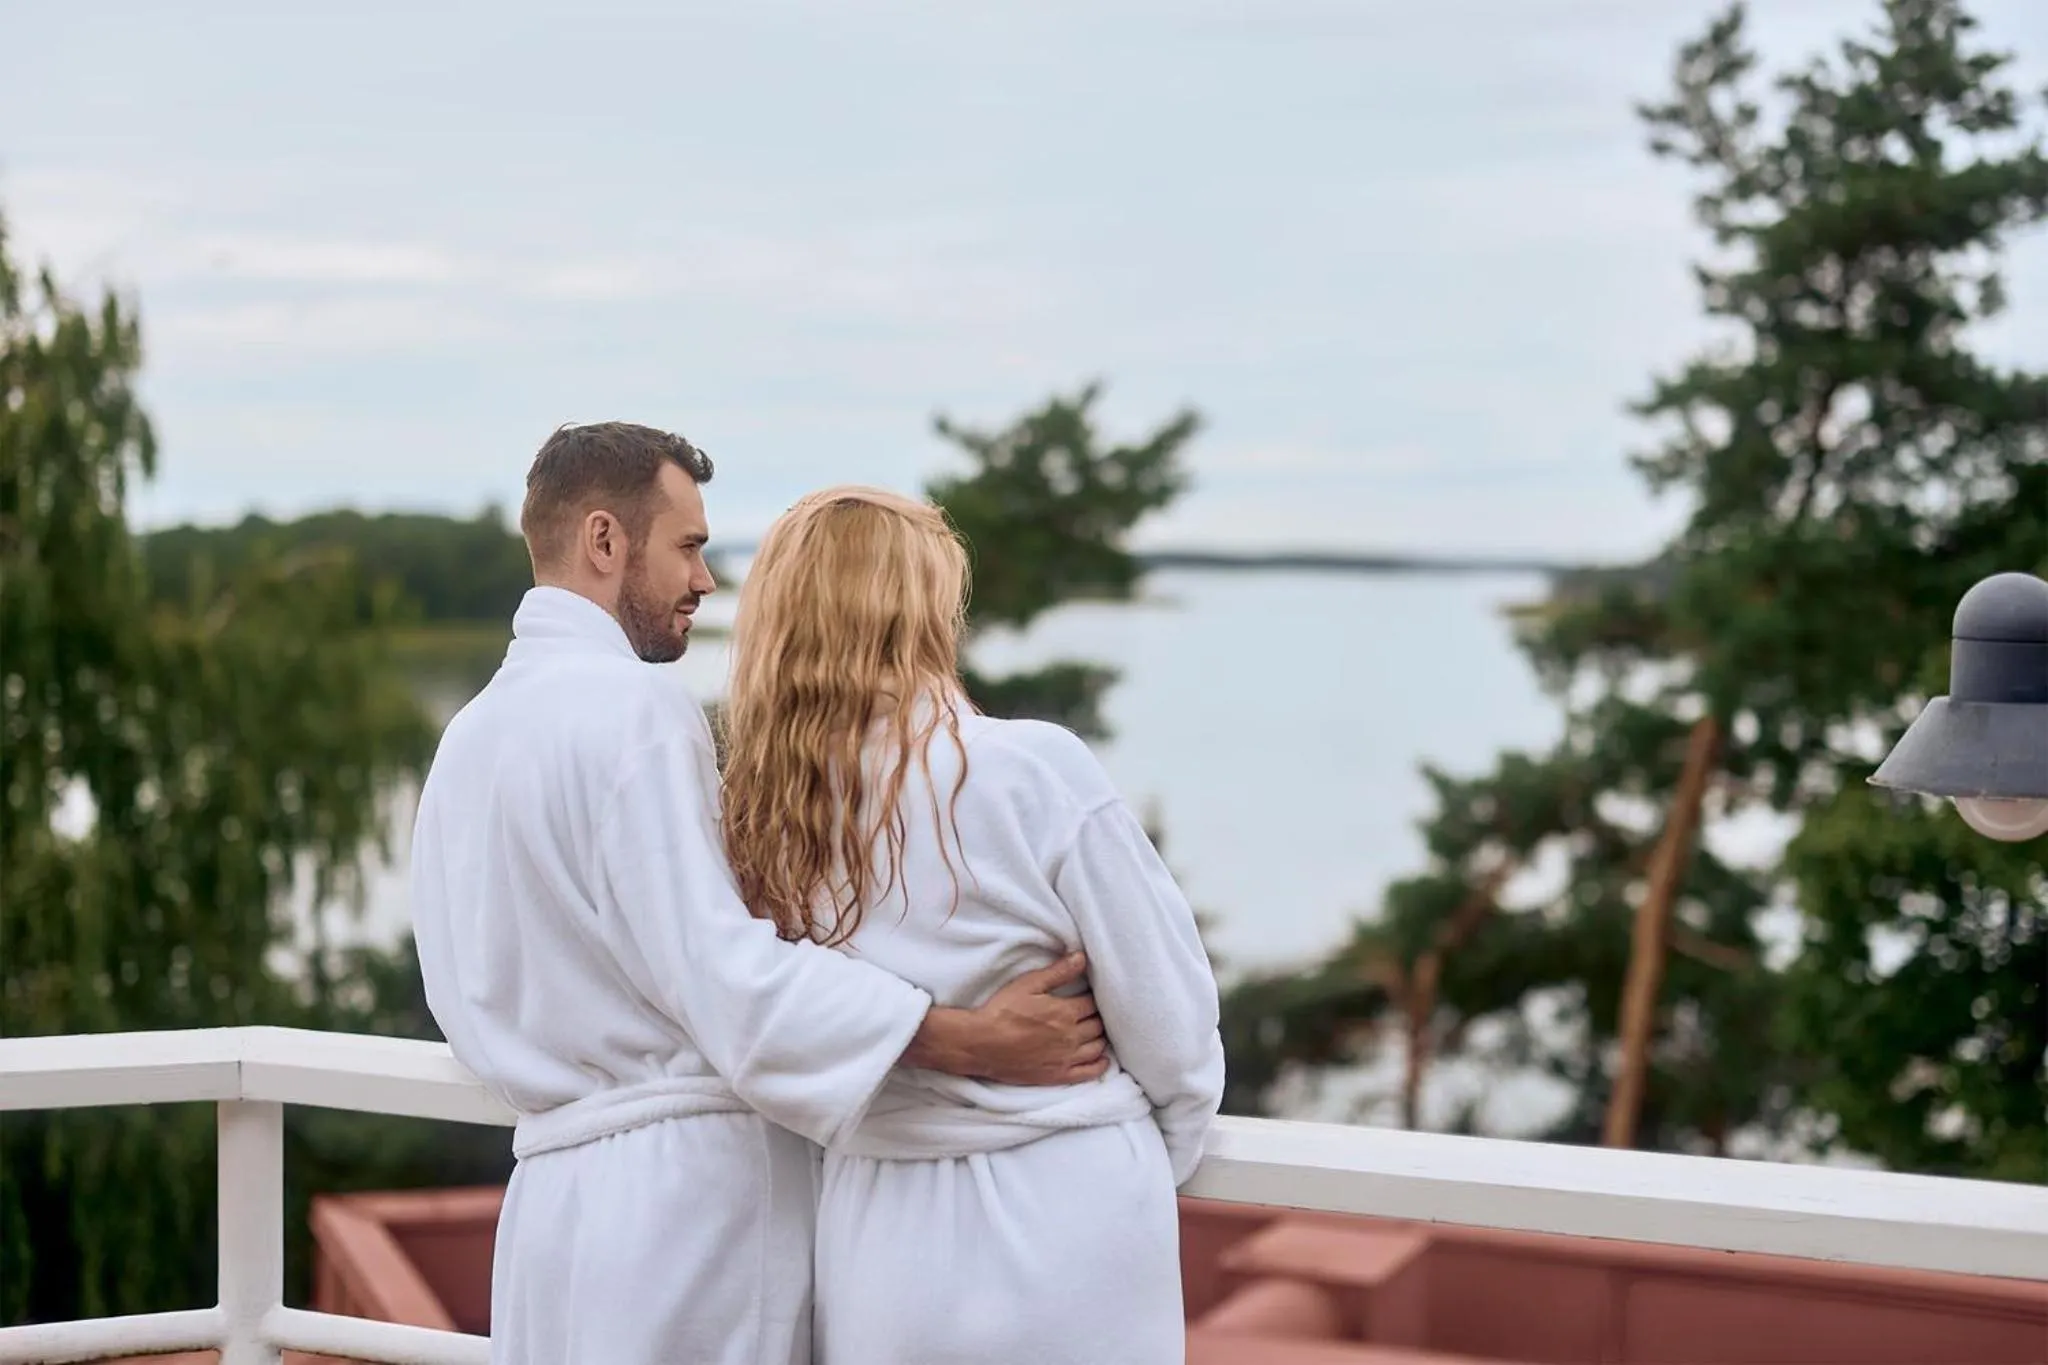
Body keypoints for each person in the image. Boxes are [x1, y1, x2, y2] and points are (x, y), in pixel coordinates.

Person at [408, 424, 1110, 1365]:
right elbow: (725, 975)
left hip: (550, 1211)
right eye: (688, 547)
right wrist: (961, 1036)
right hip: (682, 1214)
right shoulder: (638, 711)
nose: (705, 581)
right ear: (606, 541)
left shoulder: (471, 735)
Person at [720, 485, 1226, 1365]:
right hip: (1072, 1212)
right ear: (919, 611)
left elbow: (760, 1025)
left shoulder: (760, 817)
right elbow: (1173, 1030)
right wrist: (1147, 1159)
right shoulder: (1033, 769)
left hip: (881, 1240)